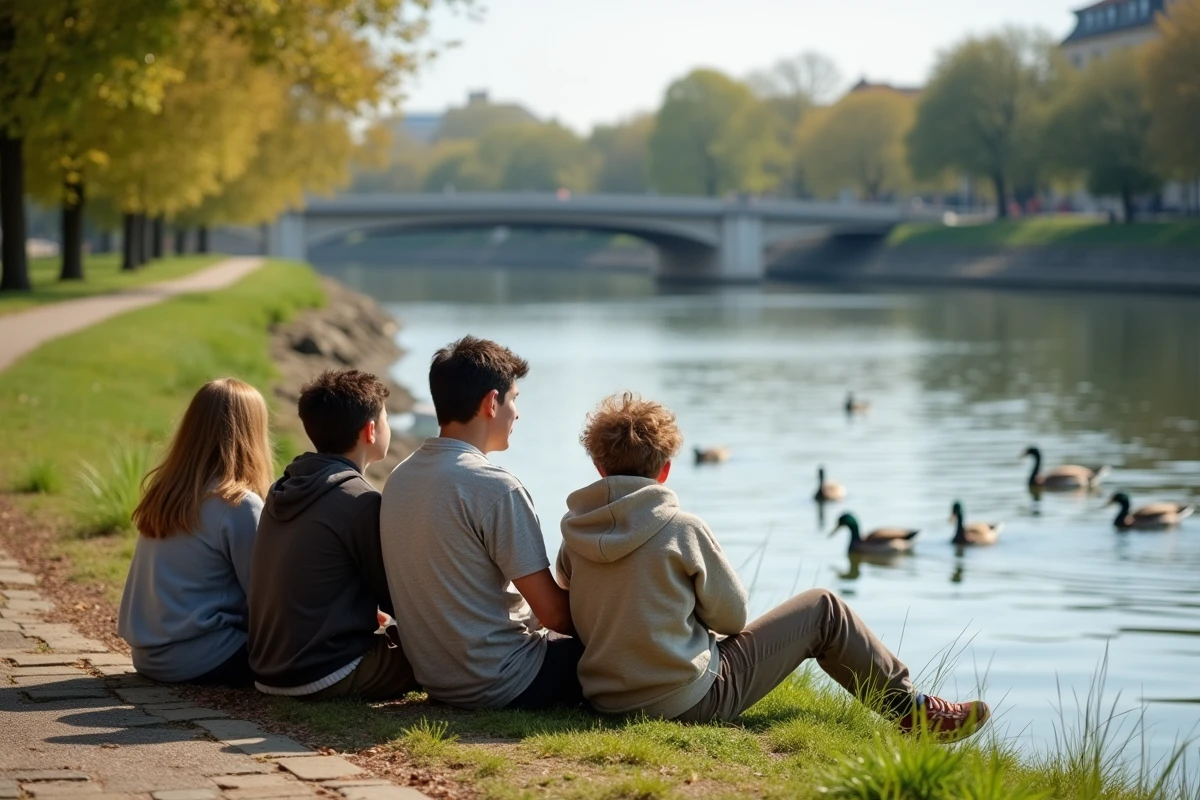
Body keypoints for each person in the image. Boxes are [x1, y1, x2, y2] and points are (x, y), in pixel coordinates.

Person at [555, 392, 990, 741]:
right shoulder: (681, 529)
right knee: (824, 609)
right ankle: (911, 710)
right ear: (665, 470)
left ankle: (912, 710)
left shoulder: (574, 534)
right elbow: (733, 617)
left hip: (606, 700)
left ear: (598, 466)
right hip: (686, 700)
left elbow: (577, 617)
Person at [380, 336, 581, 710]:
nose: (517, 413)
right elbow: (555, 615)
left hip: (438, 680)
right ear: (492, 402)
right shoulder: (495, 487)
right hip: (505, 681)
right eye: (514, 399)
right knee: (621, 649)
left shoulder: (400, 478)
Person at [248, 369, 416, 700]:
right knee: (442, 656)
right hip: (324, 671)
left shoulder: (284, 487)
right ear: (371, 431)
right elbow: (398, 596)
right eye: (385, 420)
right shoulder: (358, 500)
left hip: (268, 668)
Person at [119, 378, 273, 686]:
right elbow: (266, 598)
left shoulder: (167, 492)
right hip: (204, 656)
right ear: (253, 433)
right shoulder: (238, 504)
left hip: (148, 656)